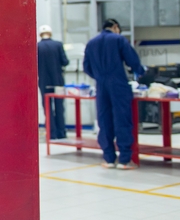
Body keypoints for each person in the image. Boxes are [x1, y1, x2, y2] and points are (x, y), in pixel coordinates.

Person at [83, 18, 145, 170]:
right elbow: (132, 61)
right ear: (116, 27)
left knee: (104, 120)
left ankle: (109, 158)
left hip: (101, 86)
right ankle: (124, 159)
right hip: (118, 84)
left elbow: (86, 67)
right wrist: (141, 72)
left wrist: (98, 76)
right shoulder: (118, 40)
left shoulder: (91, 43)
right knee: (122, 119)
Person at [37, 25, 69, 140]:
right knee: (59, 106)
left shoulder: (37, 47)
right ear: (50, 33)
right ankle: (61, 132)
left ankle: (52, 133)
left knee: (47, 107)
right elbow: (65, 62)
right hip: (58, 81)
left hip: (44, 82)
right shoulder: (58, 45)